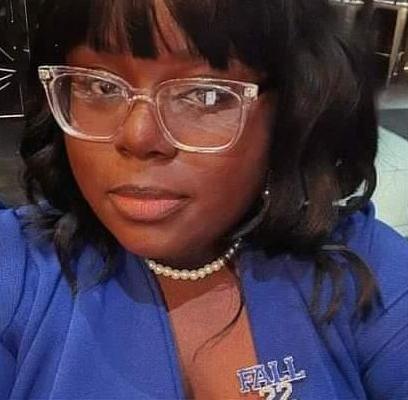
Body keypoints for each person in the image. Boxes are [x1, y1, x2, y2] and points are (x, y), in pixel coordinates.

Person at [1, 0, 407, 399]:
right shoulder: (17, 269)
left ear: (294, 109)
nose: (138, 137)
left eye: (205, 94)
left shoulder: (364, 269)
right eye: (101, 86)